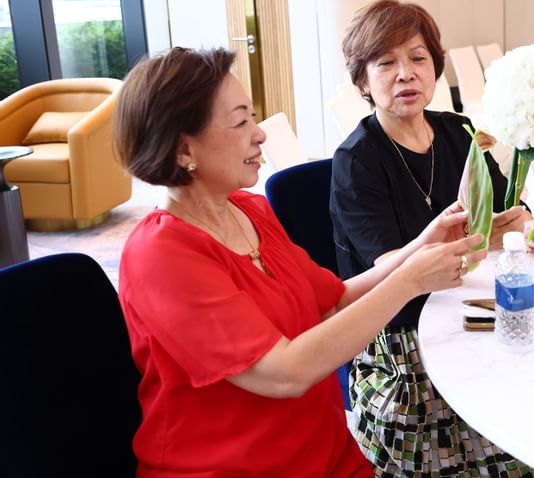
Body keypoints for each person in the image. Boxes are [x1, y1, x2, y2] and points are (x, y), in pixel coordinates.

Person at [113, 46, 488, 477]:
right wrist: (409, 281)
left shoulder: (249, 210)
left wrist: (420, 246)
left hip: (325, 456)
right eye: (239, 122)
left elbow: (335, 300)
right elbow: (285, 373)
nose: (259, 134)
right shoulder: (161, 255)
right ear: (182, 150)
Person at [330, 0, 534, 477]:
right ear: (362, 81)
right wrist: (454, 243)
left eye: (418, 58)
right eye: (386, 62)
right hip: (402, 339)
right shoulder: (357, 160)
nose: (405, 74)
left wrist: (528, 231)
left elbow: (504, 217)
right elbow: (388, 268)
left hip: (472, 310)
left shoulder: (460, 134)